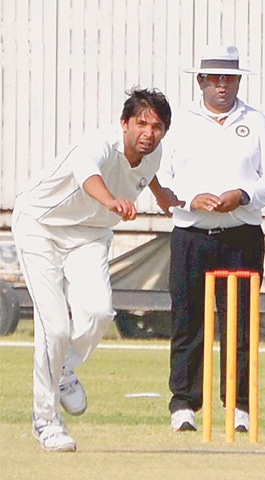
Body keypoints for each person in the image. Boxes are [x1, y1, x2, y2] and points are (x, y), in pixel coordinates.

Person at [12, 87, 177, 452]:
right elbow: (88, 173)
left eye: (158, 127)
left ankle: (64, 369)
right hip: (41, 225)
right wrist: (111, 200)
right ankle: (46, 420)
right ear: (124, 124)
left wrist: (163, 195)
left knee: (99, 311)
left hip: (89, 235)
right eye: (141, 124)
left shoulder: (154, 152)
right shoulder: (99, 143)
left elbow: (143, 173)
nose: (149, 133)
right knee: (54, 327)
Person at [160, 45, 265, 433]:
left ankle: (239, 406)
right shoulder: (179, 122)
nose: (222, 85)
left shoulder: (257, 122)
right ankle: (183, 406)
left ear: (238, 81)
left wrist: (244, 195)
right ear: (200, 81)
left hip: (241, 236)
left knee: (240, 324)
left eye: (229, 78)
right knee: (188, 322)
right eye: (214, 78)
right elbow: (161, 177)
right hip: (190, 234)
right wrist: (189, 199)